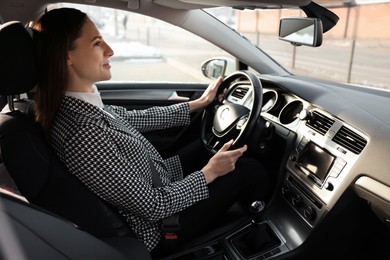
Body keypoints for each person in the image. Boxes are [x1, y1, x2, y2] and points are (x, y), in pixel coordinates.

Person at [32, 7, 270, 256]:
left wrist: (198, 104)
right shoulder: (81, 133)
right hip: (163, 227)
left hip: (159, 180)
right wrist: (209, 173)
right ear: (66, 57)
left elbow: (139, 118)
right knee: (249, 169)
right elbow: (154, 206)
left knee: (207, 145)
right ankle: (266, 235)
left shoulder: (80, 105)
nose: (110, 50)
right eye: (96, 43)